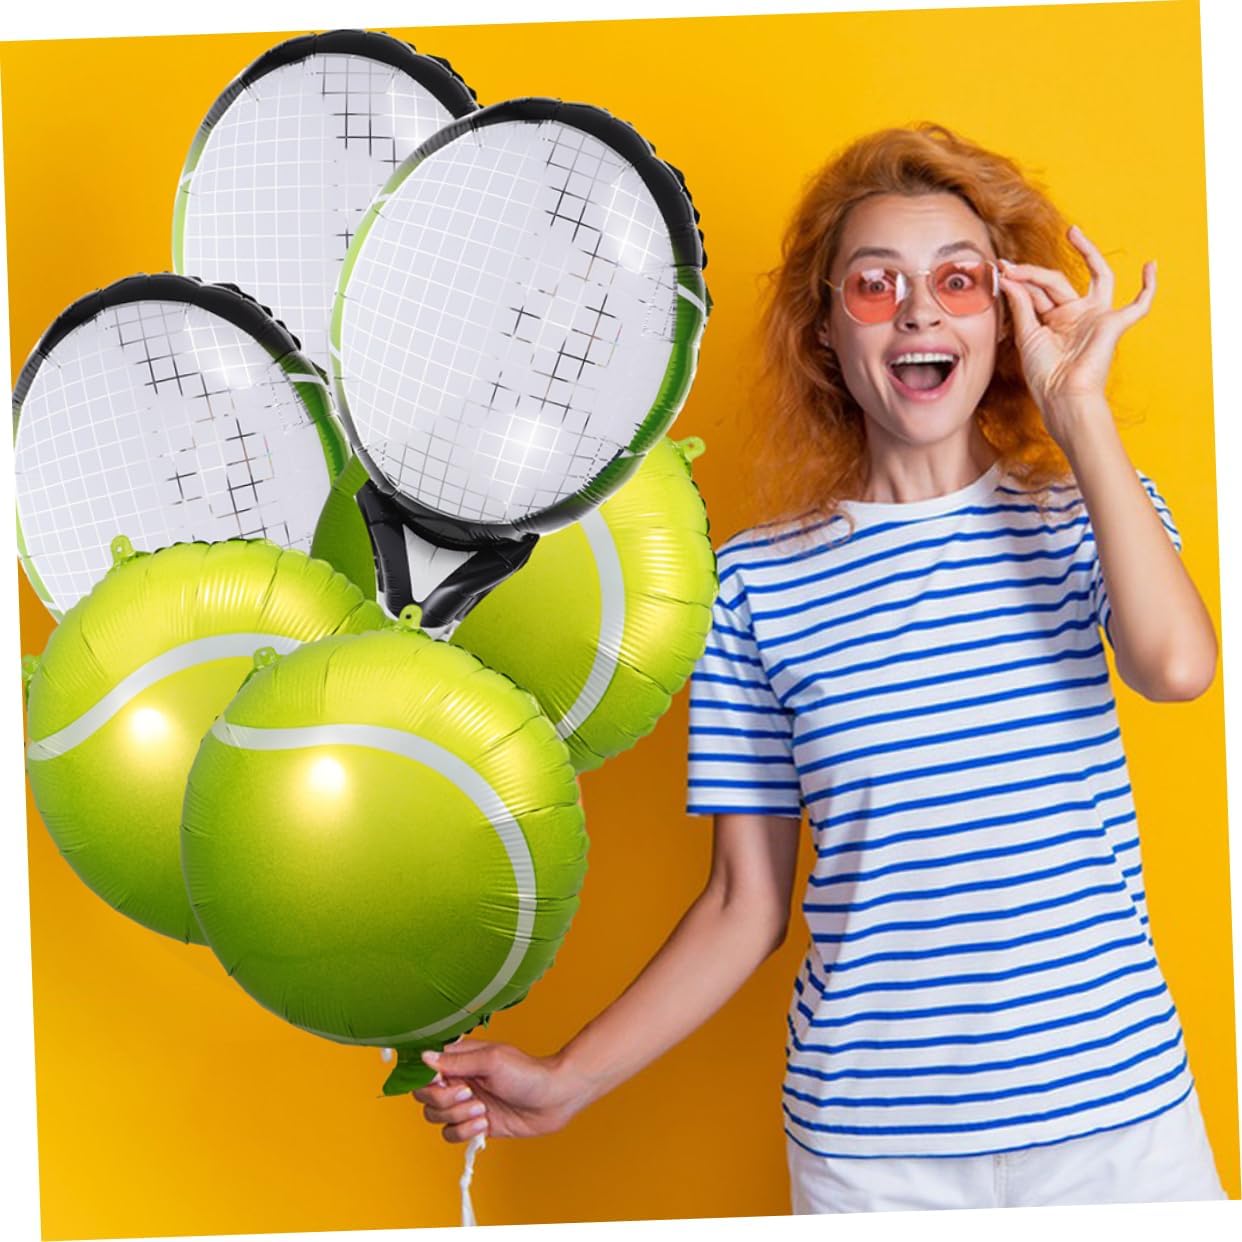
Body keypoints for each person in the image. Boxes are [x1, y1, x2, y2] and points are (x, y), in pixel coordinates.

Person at [413, 125, 1228, 1212]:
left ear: (1003, 318)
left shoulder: (1086, 511)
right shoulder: (756, 587)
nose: (920, 312)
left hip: (1119, 1129)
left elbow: (1176, 667)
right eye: (876, 286)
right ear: (827, 333)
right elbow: (743, 904)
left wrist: (1078, 409)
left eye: (958, 281)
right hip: (873, 1160)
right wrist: (567, 1081)